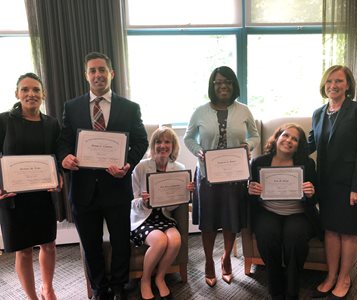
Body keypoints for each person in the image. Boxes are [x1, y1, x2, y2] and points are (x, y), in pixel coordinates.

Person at [57, 52, 148, 300]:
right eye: (93, 71)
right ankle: (100, 288)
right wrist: (64, 156)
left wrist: (128, 164)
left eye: (102, 70)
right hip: (83, 189)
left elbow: (140, 142)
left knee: (120, 242)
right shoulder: (72, 107)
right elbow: (64, 141)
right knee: (91, 244)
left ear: (112, 73)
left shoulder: (129, 108)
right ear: (86, 76)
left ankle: (118, 285)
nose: (98, 75)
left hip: (117, 187)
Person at [184, 66, 260, 287]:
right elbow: (188, 138)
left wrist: (249, 145)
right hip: (207, 176)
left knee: (230, 220)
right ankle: (209, 262)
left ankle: (226, 259)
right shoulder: (200, 111)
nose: (223, 85)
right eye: (218, 82)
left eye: (227, 81)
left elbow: (254, 135)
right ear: (212, 85)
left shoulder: (244, 110)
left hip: (235, 176)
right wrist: (198, 150)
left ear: (234, 84)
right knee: (208, 223)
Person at [308, 65, 357, 299]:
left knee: (347, 232)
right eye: (329, 82)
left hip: (349, 185)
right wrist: (277, 151)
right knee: (330, 232)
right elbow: (309, 145)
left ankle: (345, 277)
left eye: (338, 81)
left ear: (348, 85)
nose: (333, 86)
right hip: (326, 184)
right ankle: (331, 275)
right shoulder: (318, 113)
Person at [0, 73, 61, 300]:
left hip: (42, 195)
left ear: (43, 95)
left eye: (36, 90)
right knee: (23, 251)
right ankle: (32, 296)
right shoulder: (3, 121)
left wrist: (59, 176)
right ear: (17, 94)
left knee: (49, 244)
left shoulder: (52, 124)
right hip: (13, 197)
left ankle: (48, 287)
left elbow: (56, 155)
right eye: (25, 89)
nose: (31, 94)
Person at [248, 123, 321, 300]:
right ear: (277, 137)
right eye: (285, 135)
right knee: (267, 236)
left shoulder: (307, 163)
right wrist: (250, 190)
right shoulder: (259, 162)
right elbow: (251, 195)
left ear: (299, 145)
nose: (288, 140)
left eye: (294, 139)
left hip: (298, 213)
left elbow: (316, 196)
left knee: (295, 239)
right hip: (268, 211)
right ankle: (276, 286)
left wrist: (312, 192)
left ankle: (292, 288)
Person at [130, 126, 194, 300]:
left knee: (175, 240)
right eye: (158, 141)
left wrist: (186, 192)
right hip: (142, 217)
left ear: (173, 146)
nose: (163, 145)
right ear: (153, 145)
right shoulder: (141, 167)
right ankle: (145, 280)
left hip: (164, 216)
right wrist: (142, 201)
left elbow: (175, 204)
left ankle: (159, 278)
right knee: (159, 241)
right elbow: (132, 202)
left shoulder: (179, 168)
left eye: (167, 142)